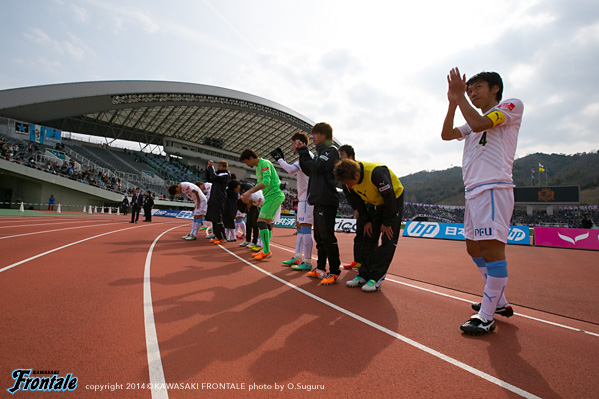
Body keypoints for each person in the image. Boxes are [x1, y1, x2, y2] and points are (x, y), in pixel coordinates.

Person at [442, 68, 524, 335]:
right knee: (473, 249)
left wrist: (461, 98)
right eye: (469, 90)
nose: (472, 93)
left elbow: (479, 124)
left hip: (493, 188)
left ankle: (486, 316)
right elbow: (446, 134)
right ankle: (498, 301)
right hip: (473, 192)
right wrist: (453, 104)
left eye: (477, 88)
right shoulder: (471, 116)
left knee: (491, 252)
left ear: (495, 89)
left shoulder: (511, 106)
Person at [334, 159, 404, 292]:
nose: (348, 187)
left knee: (388, 239)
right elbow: (357, 202)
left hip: (392, 201)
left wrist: (387, 222)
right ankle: (364, 274)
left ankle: (376, 277)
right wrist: (366, 221)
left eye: (349, 183)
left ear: (356, 175)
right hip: (373, 202)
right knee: (368, 236)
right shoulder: (349, 182)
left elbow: (389, 198)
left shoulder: (376, 173)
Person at [295, 122, 341, 285]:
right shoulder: (321, 152)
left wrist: (303, 151)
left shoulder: (331, 151)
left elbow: (316, 166)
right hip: (317, 200)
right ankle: (320, 268)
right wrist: (303, 153)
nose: (313, 136)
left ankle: (335, 271)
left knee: (327, 237)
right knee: (319, 237)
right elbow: (309, 169)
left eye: (315, 134)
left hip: (326, 200)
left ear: (324, 135)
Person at [271, 132, 315, 271]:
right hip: (303, 198)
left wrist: (279, 159)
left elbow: (290, 170)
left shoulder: (305, 156)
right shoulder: (305, 157)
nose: (291, 147)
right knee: (301, 229)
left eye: (292, 143)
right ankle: (298, 256)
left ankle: (307, 261)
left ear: (298, 142)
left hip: (307, 198)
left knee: (306, 228)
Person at [239, 149, 286, 261]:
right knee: (268, 222)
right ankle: (265, 249)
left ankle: (266, 250)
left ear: (250, 158)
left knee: (261, 221)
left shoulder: (265, 163)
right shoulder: (259, 167)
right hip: (270, 196)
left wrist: (249, 192)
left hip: (273, 196)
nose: (246, 164)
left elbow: (265, 182)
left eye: (246, 161)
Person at [338, 144, 365, 271]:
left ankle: (367, 264)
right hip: (359, 208)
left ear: (351, 156)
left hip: (368, 206)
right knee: (359, 235)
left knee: (368, 235)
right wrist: (355, 208)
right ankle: (358, 261)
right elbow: (348, 195)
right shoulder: (343, 173)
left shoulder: (360, 170)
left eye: (342, 155)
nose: (340, 159)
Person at [205, 160, 231, 244]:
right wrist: (208, 169)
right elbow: (209, 178)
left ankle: (222, 237)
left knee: (218, 218)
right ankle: (217, 236)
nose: (218, 167)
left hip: (219, 198)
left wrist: (210, 168)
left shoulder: (225, 174)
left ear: (224, 167)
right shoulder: (218, 174)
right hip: (214, 197)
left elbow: (214, 177)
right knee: (213, 217)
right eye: (218, 166)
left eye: (220, 166)